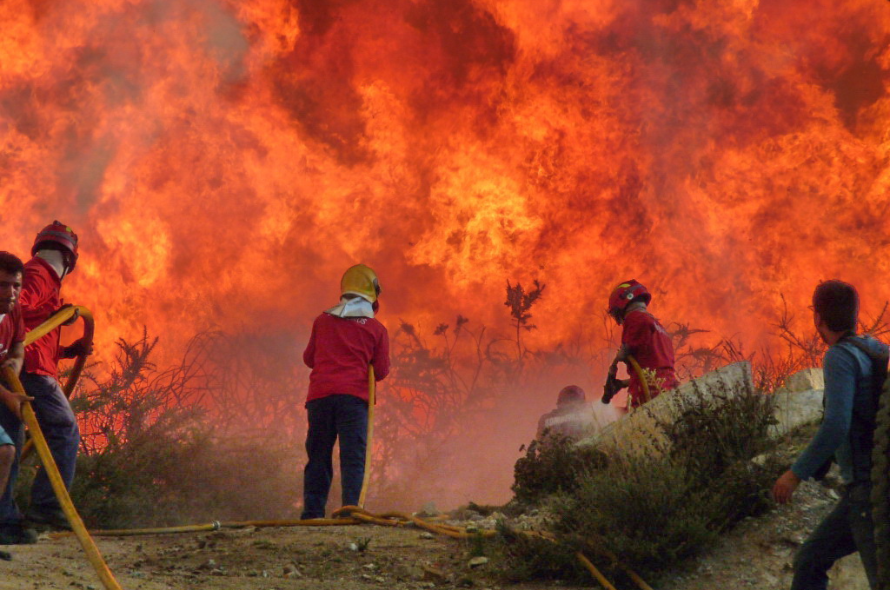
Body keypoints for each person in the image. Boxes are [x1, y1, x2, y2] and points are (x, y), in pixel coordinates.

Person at [772, 280, 885, 590]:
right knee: (810, 560)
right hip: (878, 484)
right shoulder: (875, 349)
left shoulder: (839, 357)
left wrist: (796, 473)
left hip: (866, 492)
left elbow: (837, 424)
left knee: (879, 577)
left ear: (818, 318)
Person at [0, 222, 91, 534]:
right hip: (30, 371)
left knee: (10, 442)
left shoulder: (40, 277)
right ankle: (47, 509)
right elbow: (16, 308)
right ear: (69, 260)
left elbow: (30, 333)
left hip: (15, 370)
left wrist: (66, 350)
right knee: (64, 429)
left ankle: (6, 521)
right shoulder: (39, 273)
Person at [301, 264, 390, 520]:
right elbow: (381, 371)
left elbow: (309, 359)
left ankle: (312, 514)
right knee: (353, 457)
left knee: (318, 456)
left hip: (320, 399)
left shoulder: (322, 321)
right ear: (372, 295)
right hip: (353, 401)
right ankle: (351, 512)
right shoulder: (376, 329)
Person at [0, 253, 35, 545]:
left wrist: (15, 364)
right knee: (4, 450)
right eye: (2, 285)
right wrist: (8, 396)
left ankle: (5, 521)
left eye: (15, 285)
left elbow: (19, 346)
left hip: (3, 383)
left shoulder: (13, 310)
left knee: (11, 447)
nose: (10, 292)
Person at [603, 279, 678, 410]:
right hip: (668, 389)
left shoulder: (634, 318)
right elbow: (655, 370)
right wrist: (622, 383)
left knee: (609, 419)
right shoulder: (658, 326)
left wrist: (614, 364)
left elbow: (625, 352)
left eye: (615, 312)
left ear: (622, 302)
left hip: (647, 395)